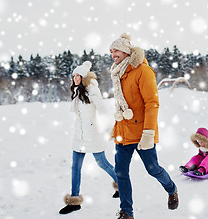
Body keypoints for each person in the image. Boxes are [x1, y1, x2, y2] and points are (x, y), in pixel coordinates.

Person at [109, 33, 179, 219]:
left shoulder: (143, 71)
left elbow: (152, 103)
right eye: (111, 51)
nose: (112, 53)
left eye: (115, 50)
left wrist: (149, 132)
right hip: (123, 133)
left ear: (125, 51)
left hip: (142, 133)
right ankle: (127, 213)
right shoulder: (117, 73)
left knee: (153, 169)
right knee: (121, 173)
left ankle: (171, 189)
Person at [59, 61, 119, 215]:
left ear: (84, 76)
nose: (75, 78)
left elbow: (103, 110)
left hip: (93, 135)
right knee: (75, 168)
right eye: (74, 75)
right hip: (79, 136)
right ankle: (74, 201)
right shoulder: (78, 91)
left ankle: (121, 184)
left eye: (78, 75)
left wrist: (109, 129)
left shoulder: (93, 90)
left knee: (102, 163)